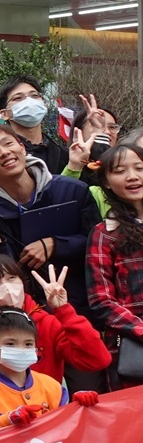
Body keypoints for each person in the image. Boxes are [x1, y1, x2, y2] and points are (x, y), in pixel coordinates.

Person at [0, 122, 98, 311]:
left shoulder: (72, 190)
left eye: (8, 144)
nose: (4, 152)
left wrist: (56, 244)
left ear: (22, 148)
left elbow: (97, 243)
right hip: (22, 313)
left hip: (78, 304)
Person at [0, 255, 109, 387]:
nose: (6, 287)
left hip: (45, 416)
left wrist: (64, 311)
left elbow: (97, 359)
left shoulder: (46, 322)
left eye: (11, 278)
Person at [0, 309, 89, 438]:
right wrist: (6, 420)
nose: (21, 350)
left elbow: (64, 422)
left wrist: (78, 406)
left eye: (28, 344)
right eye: (10, 344)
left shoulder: (51, 386)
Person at [86, 143, 143, 375]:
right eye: (120, 171)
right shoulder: (105, 233)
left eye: (139, 168)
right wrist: (139, 329)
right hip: (134, 345)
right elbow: (101, 301)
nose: (132, 177)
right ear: (107, 182)